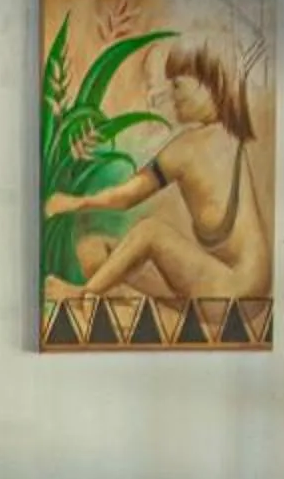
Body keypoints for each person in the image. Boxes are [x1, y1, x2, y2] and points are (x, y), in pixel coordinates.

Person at [42, 38, 269, 303]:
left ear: (209, 83)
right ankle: (132, 306)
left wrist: (75, 202)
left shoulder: (190, 147)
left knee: (150, 231)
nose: (171, 95)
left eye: (177, 84)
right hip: (231, 280)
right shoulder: (229, 137)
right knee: (94, 250)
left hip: (237, 289)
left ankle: (82, 294)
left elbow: (127, 196)